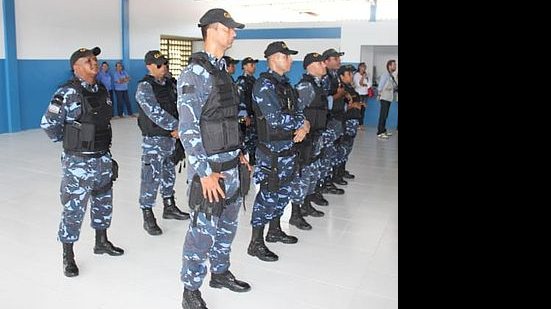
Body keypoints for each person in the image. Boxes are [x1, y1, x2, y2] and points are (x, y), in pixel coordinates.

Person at [177, 8, 251, 309]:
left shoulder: (222, 71)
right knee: (202, 232)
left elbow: (228, 118)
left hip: (233, 165)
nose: (234, 33)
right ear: (213, 30)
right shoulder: (194, 73)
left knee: (228, 227)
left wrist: (242, 153)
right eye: (229, 28)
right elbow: (188, 127)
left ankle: (219, 272)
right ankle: (190, 290)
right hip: (211, 171)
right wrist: (204, 172)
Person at [40, 47, 124, 277]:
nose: (94, 63)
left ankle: (101, 242)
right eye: (88, 60)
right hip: (78, 163)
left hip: (102, 158)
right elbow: (48, 125)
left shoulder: (103, 90)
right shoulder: (67, 93)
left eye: (95, 60)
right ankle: (68, 255)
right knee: (73, 209)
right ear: (76, 67)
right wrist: (69, 142)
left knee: (103, 203)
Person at [247, 41, 309, 262]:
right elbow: (275, 119)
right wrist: (301, 123)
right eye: (286, 56)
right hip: (271, 153)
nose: (291, 60)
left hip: (288, 150)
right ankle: (255, 242)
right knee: (267, 195)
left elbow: (299, 110)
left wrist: (304, 124)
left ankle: (274, 230)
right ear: (273, 59)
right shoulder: (264, 86)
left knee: (283, 193)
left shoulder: (285, 84)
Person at [136, 50, 190, 236]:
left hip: (171, 139)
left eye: (165, 63)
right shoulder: (144, 87)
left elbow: (180, 105)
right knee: (150, 177)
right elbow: (154, 112)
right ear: (149, 66)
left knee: (169, 173)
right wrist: (177, 127)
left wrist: (179, 129)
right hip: (154, 139)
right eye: (159, 65)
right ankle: (147, 214)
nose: (163, 67)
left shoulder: (170, 84)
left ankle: (169, 205)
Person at [289, 52, 330, 231]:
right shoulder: (306, 87)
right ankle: (295, 214)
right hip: (305, 140)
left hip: (316, 137)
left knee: (313, 173)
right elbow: (296, 113)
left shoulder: (318, 84)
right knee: (303, 175)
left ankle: (306, 204)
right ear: (310, 66)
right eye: (320, 63)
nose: (324, 66)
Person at [236, 56, 259, 166]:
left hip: (254, 116)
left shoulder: (253, 80)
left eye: (254, 65)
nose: (254, 67)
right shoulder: (242, 81)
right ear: (244, 67)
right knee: (246, 140)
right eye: (251, 65)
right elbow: (240, 99)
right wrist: (244, 116)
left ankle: (252, 161)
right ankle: (246, 162)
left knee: (254, 140)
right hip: (246, 117)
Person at [376, 59, 398, 139]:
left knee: (385, 115)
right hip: (384, 97)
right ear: (389, 66)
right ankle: (380, 132)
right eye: (394, 65)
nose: (395, 66)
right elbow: (380, 86)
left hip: (388, 98)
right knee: (383, 115)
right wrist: (379, 94)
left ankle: (383, 130)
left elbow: (392, 87)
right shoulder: (385, 75)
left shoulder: (391, 75)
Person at [353, 62, 371, 130]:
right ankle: (356, 124)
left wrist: (365, 84)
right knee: (358, 109)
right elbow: (359, 84)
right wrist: (363, 77)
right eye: (363, 67)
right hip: (359, 94)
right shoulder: (356, 75)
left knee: (363, 110)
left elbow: (369, 84)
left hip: (365, 94)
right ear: (360, 67)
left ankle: (361, 124)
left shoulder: (367, 75)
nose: (364, 68)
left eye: (365, 67)